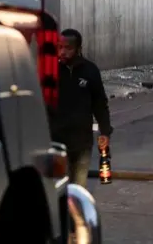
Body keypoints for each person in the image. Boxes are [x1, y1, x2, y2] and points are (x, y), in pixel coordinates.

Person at [54, 29, 113, 187]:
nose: (63, 52)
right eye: (60, 47)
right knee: (62, 188)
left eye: (68, 48)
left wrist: (105, 131)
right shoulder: (52, 71)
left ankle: (76, 211)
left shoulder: (90, 71)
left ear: (78, 48)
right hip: (57, 141)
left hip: (82, 142)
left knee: (79, 187)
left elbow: (100, 104)